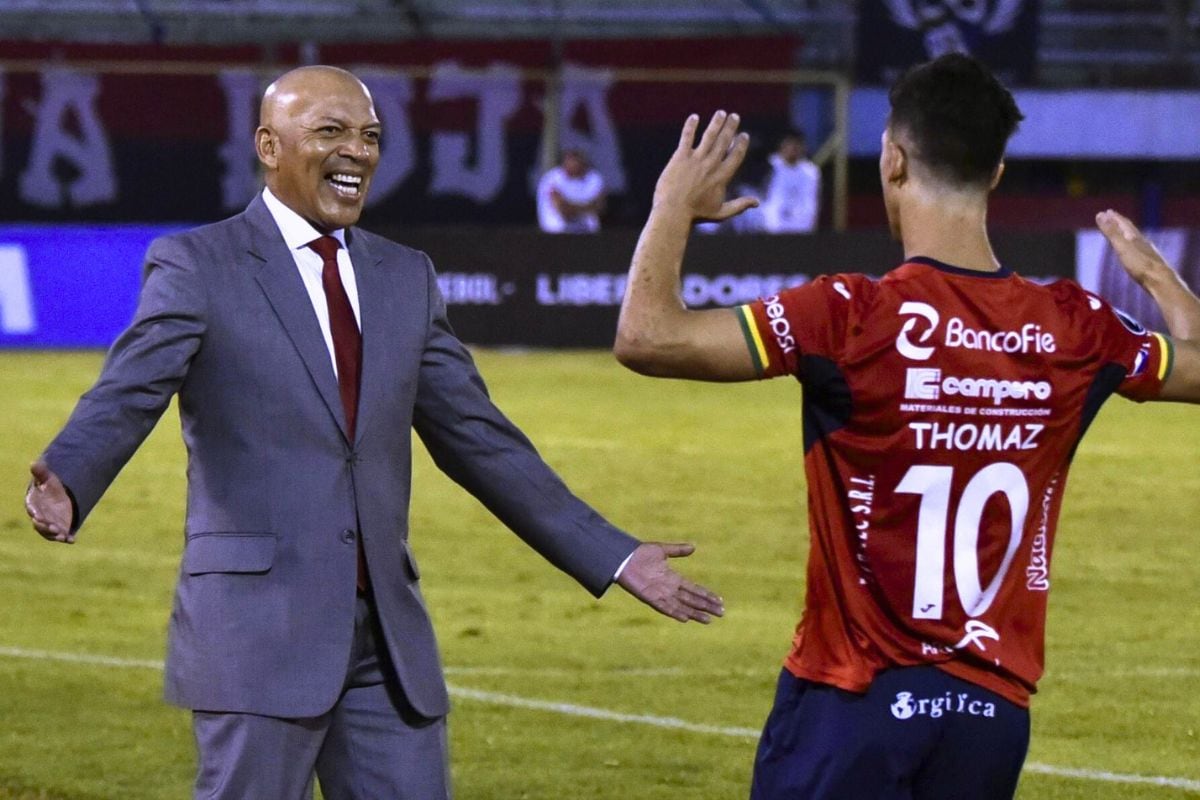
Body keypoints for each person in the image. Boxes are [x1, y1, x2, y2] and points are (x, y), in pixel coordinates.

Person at [23, 65, 724, 800]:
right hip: (260, 631)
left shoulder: (405, 277)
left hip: (387, 645)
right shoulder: (199, 264)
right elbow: (132, 386)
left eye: (370, 136)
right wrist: (71, 475)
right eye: (330, 131)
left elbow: (482, 441)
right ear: (269, 145)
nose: (356, 151)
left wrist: (612, 555)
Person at [613, 53, 1200, 800]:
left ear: (892, 160)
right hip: (988, 714)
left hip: (852, 702)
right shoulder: (1074, 327)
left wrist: (672, 204)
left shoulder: (850, 315)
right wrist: (1156, 277)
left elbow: (647, 336)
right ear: (995, 173)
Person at [760, 130, 820, 233]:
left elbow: (811, 202)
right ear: (782, 146)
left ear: (803, 147)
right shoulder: (770, 165)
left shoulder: (810, 172)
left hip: (800, 226)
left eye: (797, 145)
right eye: (790, 144)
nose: (793, 149)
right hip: (773, 225)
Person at [536, 148, 606, 233]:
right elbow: (564, 211)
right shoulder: (552, 178)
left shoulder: (594, 177)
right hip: (556, 233)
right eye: (571, 161)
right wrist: (587, 207)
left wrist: (572, 206)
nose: (574, 164)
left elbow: (600, 207)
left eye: (577, 161)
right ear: (564, 163)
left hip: (587, 233)